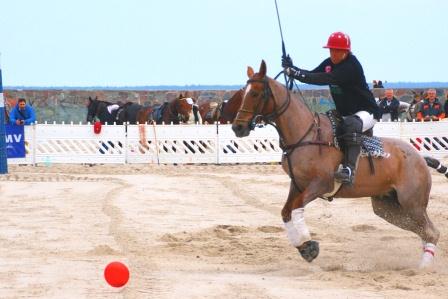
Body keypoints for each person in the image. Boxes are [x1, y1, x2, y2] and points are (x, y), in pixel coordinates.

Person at [282, 31, 380, 185]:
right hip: (344, 112)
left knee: (350, 125)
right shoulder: (329, 63)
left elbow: (324, 79)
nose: (333, 53)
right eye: (331, 50)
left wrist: (296, 73)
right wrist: (292, 68)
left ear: (346, 51)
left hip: (367, 112)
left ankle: (349, 170)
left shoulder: (351, 66)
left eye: (337, 50)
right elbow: (312, 74)